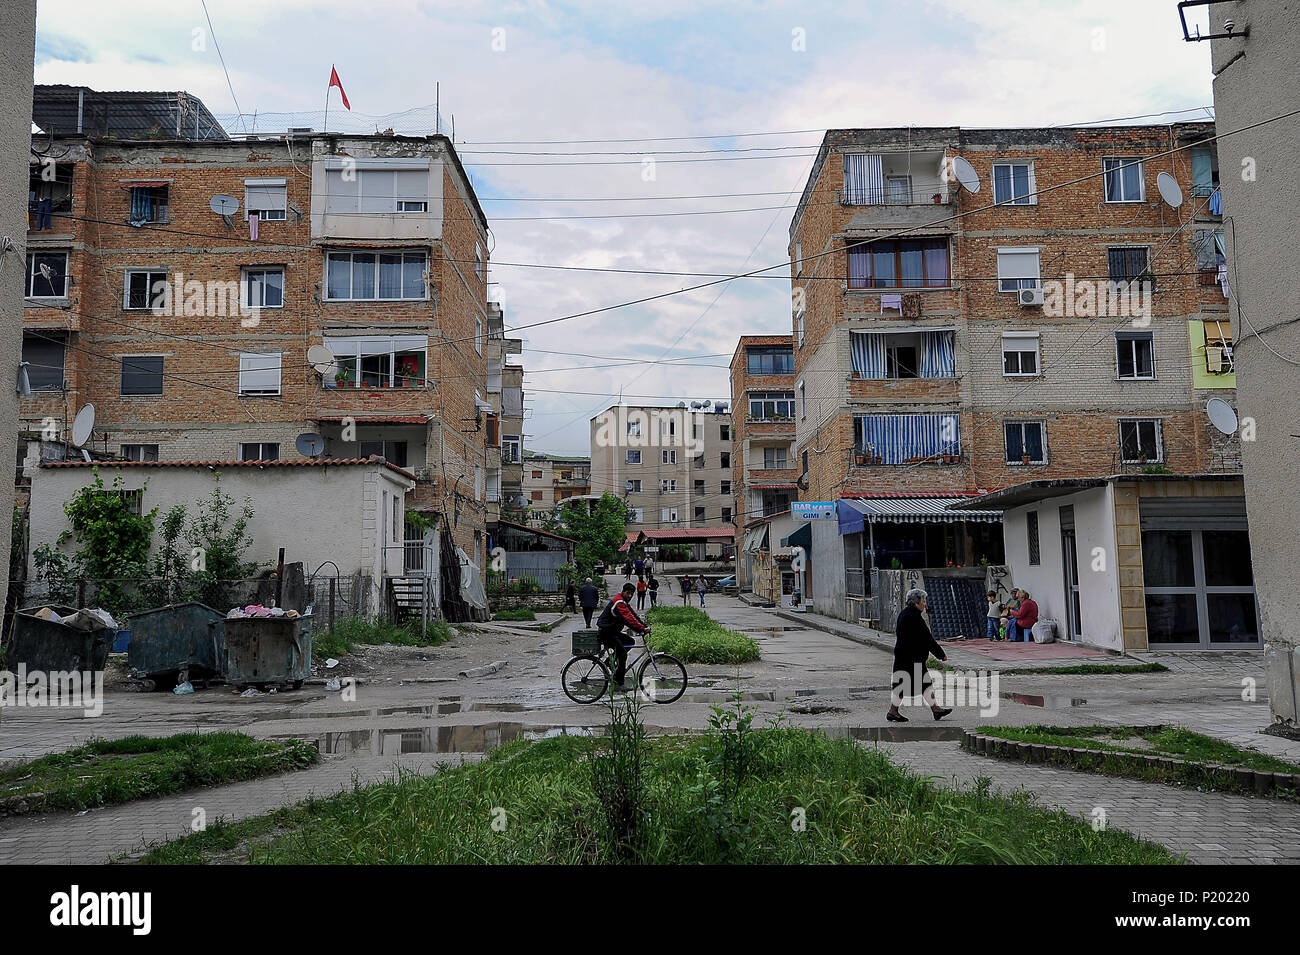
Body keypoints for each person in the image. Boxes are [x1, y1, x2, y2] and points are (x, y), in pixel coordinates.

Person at [887, 588, 952, 722]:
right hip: (910, 658)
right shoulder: (914, 617)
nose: (925, 604)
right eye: (923, 601)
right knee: (908, 685)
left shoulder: (905, 614)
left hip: (906, 656)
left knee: (921, 684)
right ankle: (893, 711)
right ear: (916, 603)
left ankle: (935, 709)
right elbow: (927, 639)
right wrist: (941, 654)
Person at [595, 582, 649, 689]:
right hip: (606, 633)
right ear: (623, 592)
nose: (630, 596)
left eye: (631, 594)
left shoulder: (624, 602)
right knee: (623, 654)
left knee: (630, 642)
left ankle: (610, 661)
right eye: (628, 593)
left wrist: (644, 626)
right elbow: (628, 619)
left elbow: (633, 615)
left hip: (612, 632)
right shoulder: (619, 602)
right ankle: (619, 683)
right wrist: (640, 629)